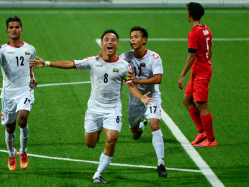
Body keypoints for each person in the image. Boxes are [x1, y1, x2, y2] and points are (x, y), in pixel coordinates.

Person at [29, 29, 153, 184]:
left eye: (113, 39)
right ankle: (101, 128)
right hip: (94, 110)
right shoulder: (92, 61)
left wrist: (142, 97)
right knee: (91, 144)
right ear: (101, 44)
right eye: (106, 39)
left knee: (112, 139)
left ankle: (98, 174)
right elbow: (70, 64)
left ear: (117, 45)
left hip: (112, 110)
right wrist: (46, 63)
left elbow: (131, 86)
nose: (110, 42)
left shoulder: (124, 66)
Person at [0, 16, 37, 170]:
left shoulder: (30, 49)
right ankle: (11, 154)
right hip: (8, 94)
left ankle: (23, 152)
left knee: (22, 119)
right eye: (11, 27)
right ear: (7, 31)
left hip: (25, 91)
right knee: (10, 127)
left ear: (21, 30)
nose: (14, 30)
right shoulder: (2, 50)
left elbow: (31, 68)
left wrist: (33, 79)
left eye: (17, 27)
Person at [120, 26, 167, 177]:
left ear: (144, 40)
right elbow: (112, 64)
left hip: (152, 96)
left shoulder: (154, 57)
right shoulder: (124, 57)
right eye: (131, 37)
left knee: (155, 125)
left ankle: (160, 163)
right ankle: (139, 126)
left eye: (136, 37)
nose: (132, 40)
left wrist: (139, 80)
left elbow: (158, 78)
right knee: (133, 132)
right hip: (135, 98)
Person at [178, 2, 217, 147]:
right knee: (187, 100)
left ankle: (211, 140)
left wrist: (182, 75)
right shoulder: (206, 29)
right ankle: (202, 132)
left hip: (200, 72)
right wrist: (207, 61)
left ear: (189, 15)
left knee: (202, 105)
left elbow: (192, 56)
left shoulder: (193, 33)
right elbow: (210, 47)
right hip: (199, 70)